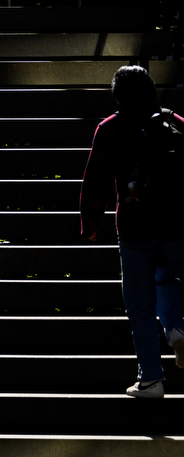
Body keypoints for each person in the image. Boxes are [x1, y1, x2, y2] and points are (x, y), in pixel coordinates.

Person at [80, 65, 184, 398]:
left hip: (135, 225)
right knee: (166, 280)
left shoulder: (110, 128)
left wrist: (91, 225)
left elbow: (95, 179)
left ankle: (151, 379)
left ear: (118, 95)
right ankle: (177, 330)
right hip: (175, 225)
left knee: (140, 305)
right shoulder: (174, 122)